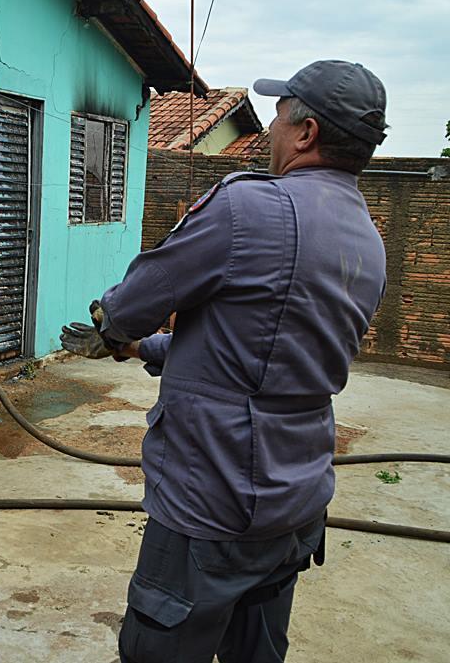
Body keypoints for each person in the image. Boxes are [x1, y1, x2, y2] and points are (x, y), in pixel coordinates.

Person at [60, 60, 389, 662]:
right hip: (296, 500)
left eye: (280, 115)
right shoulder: (367, 238)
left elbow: (136, 302)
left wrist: (114, 328)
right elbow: (258, 354)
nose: (271, 128)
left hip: (211, 498)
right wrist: (145, 349)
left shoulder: (249, 208)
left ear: (307, 133)